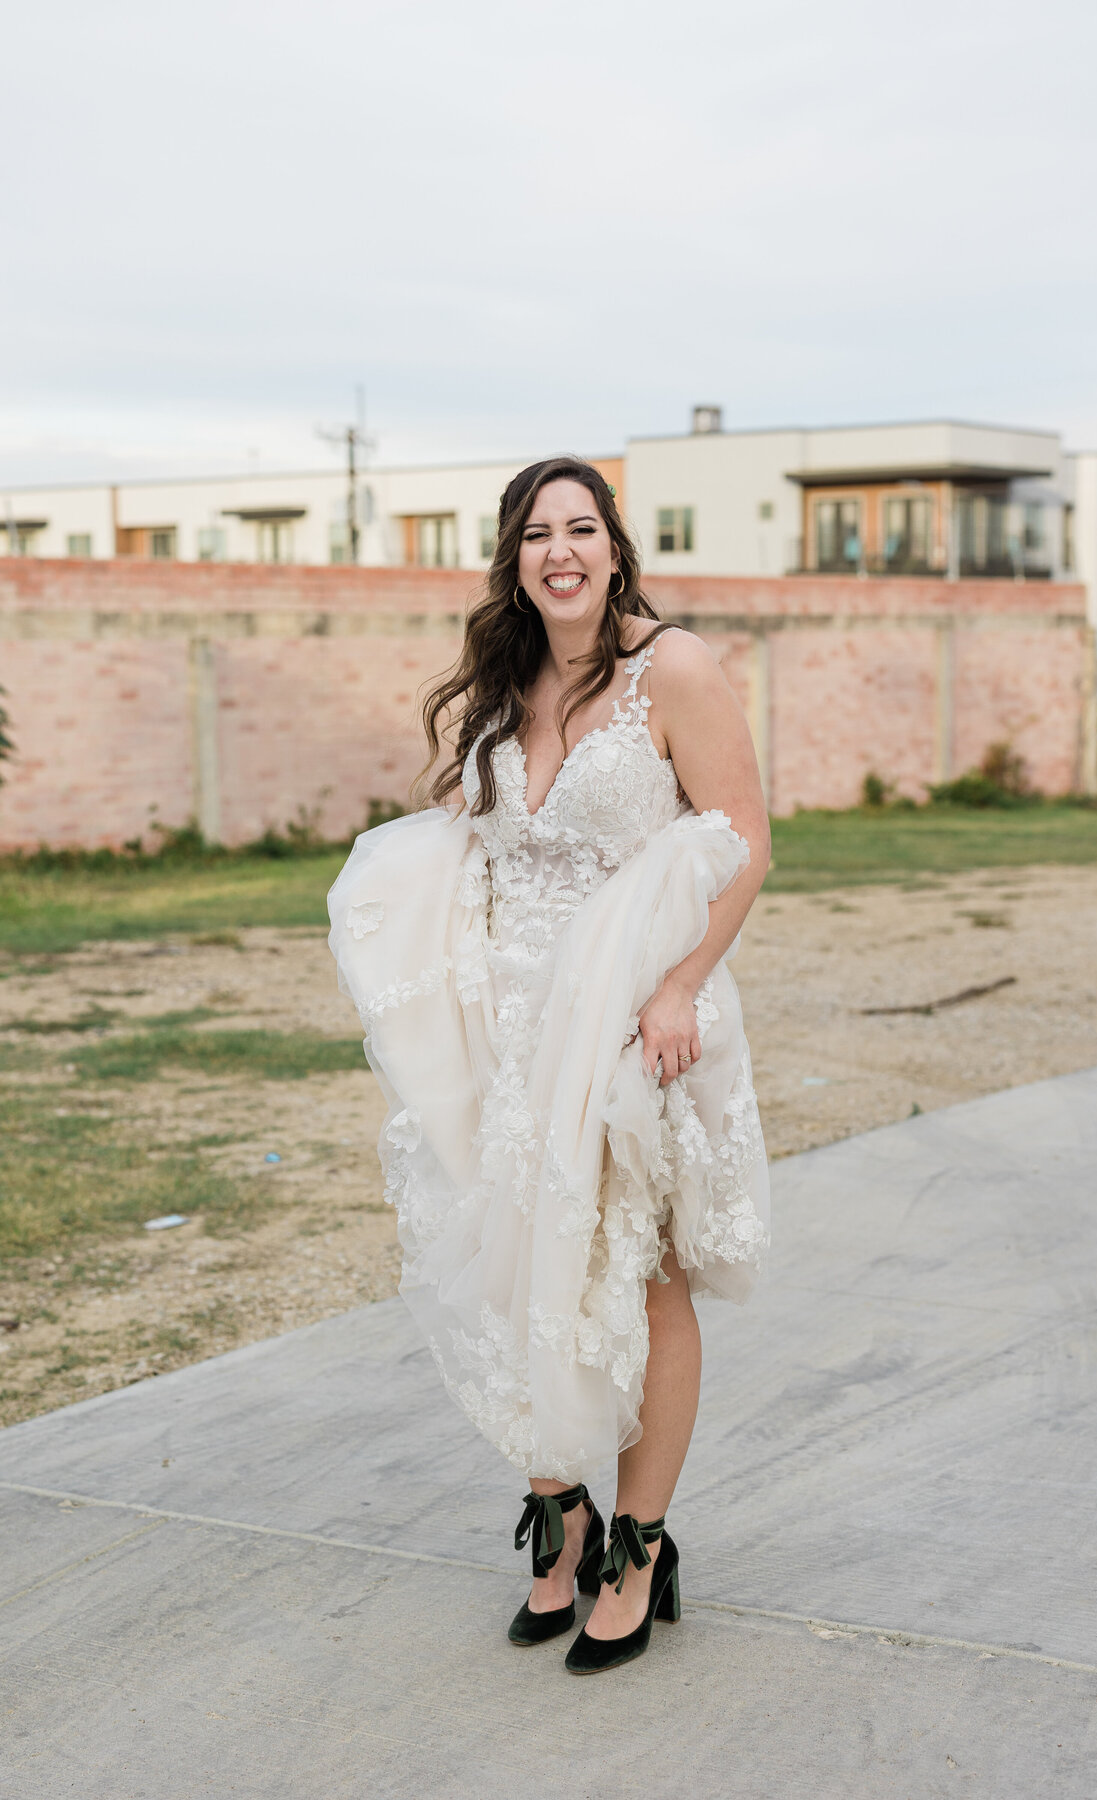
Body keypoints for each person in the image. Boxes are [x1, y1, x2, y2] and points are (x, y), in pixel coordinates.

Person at [329, 456, 771, 1675]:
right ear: (515, 558)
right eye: (537, 533)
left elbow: (744, 843)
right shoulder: (507, 678)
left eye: (581, 528)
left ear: (615, 548)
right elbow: (484, 846)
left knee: (642, 1276)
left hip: (640, 1022)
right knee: (522, 1266)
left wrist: (679, 986)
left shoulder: (672, 669)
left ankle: (640, 1542)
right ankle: (560, 1512)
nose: (560, 551)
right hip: (514, 1030)